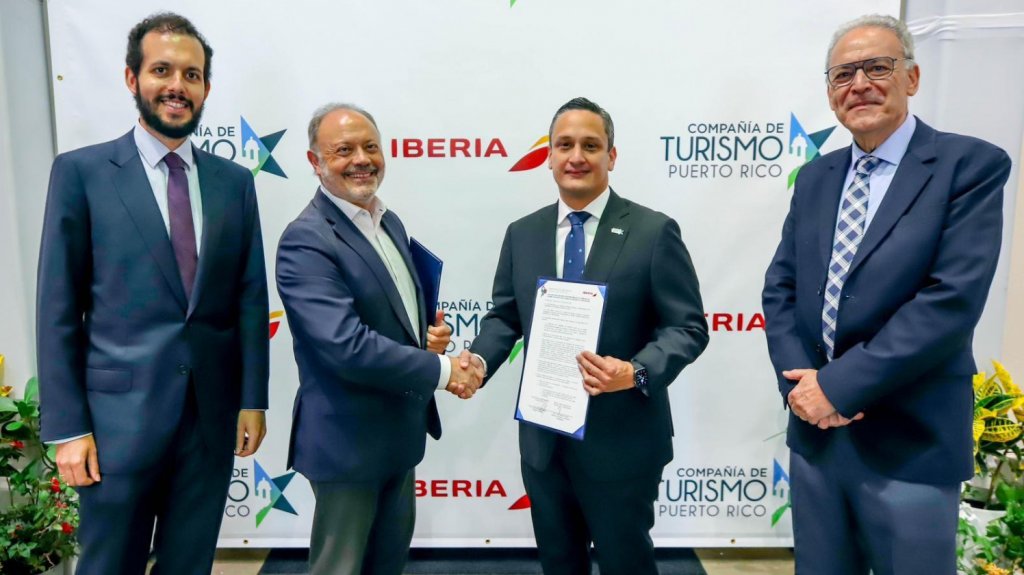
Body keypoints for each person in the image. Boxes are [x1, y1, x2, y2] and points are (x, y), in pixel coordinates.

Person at [762, 14, 1012, 574]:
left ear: (912, 78)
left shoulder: (969, 166)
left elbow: (950, 301)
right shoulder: (816, 177)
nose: (859, 85)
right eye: (843, 74)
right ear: (830, 92)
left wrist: (837, 387)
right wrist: (805, 390)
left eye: (877, 67)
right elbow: (781, 288)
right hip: (818, 442)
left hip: (910, 442)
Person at [36, 12, 269, 575]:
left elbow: (249, 300)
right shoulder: (82, 173)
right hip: (116, 425)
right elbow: (57, 310)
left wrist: (252, 400)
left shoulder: (234, 183)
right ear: (131, 78)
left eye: (192, 75)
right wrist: (68, 428)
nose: (177, 86)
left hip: (209, 421)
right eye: (162, 70)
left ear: (206, 88)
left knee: (189, 565)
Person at [464, 97, 709, 575]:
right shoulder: (523, 233)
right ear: (549, 156)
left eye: (591, 146)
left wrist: (636, 371)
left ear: (611, 157)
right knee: (559, 565)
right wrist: (478, 361)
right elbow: (505, 317)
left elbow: (687, 327)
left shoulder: (653, 231)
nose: (576, 156)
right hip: (544, 442)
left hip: (623, 442)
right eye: (565, 145)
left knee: (626, 565)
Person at [276, 103, 478, 575]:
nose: (361, 159)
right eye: (343, 150)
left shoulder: (389, 221)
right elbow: (345, 346)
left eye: (370, 147)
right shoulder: (306, 240)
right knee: (340, 568)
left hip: (398, 435)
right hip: (346, 444)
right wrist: (444, 370)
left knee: (387, 565)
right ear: (315, 162)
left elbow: (391, 319)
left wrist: (426, 340)